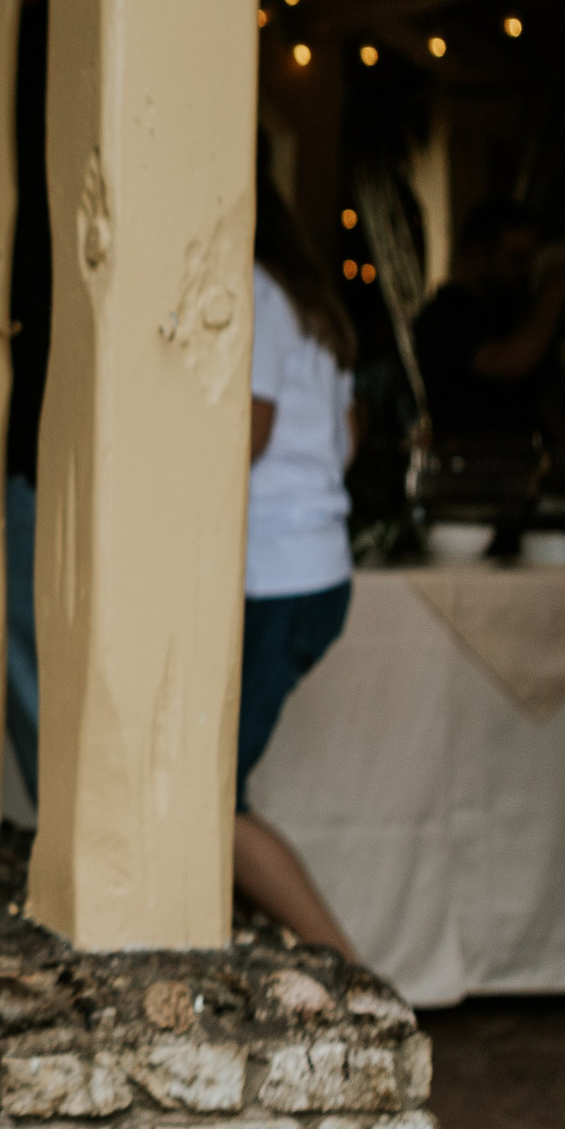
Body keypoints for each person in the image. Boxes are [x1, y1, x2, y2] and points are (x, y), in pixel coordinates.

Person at [235, 166, 359, 956]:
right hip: (315, 566)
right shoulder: (312, 302)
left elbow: (251, 429)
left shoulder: (246, 285)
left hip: (272, 572)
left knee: (209, 802)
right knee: (221, 789)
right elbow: (350, 437)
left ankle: (351, 974)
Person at [415, 199, 565, 441]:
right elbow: (505, 363)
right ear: (476, 254)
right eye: (516, 259)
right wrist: (556, 294)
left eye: (530, 260)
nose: (525, 271)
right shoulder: (445, 314)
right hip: (470, 464)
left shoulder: (509, 310)